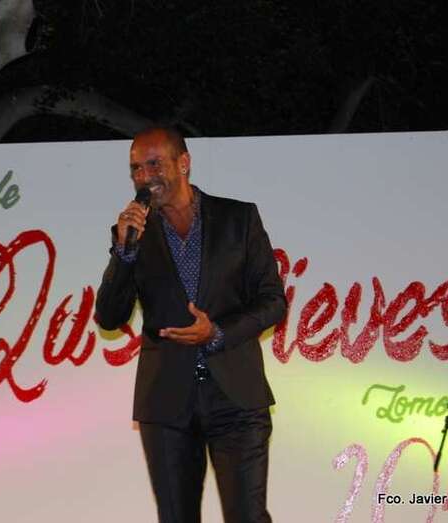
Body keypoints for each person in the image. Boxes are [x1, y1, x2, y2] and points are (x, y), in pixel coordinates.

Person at [95, 127, 287, 523]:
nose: (144, 177)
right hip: (166, 402)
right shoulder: (132, 234)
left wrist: (217, 333)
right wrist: (124, 252)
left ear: (183, 163)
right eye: (136, 169)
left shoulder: (238, 218)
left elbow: (273, 302)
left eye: (154, 164)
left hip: (236, 398)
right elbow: (109, 317)